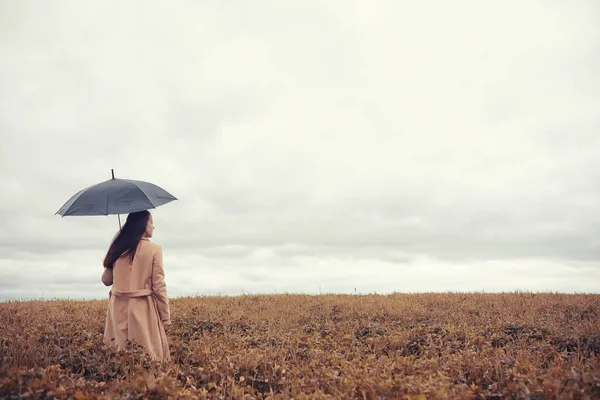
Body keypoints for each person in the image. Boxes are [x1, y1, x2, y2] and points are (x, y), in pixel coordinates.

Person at [101, 210, 172, 361]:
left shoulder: (119, 248)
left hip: (117, 309)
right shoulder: (154, 249)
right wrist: (165, 317)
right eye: (151, 222)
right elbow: (159, 286)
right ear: (142, 225)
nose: (153, 227)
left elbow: (106, 280)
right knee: (147, 358)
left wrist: (116, 255)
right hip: (142, 308)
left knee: (117, 356)